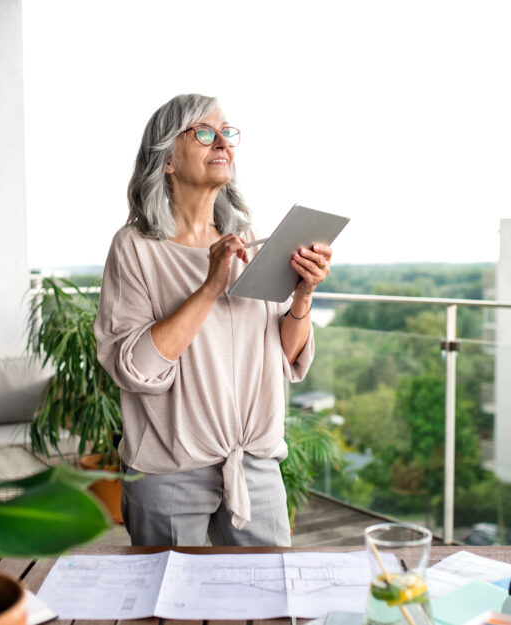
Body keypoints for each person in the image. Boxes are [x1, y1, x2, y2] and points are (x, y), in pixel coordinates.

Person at [94, 93, 332, 546]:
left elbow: (283, 356)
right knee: (165, 610)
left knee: (268, 608)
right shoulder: (136, 248)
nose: (222, 142)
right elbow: (135, 368)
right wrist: (208, 287)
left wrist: (302, 295)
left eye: (228, 132)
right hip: (168, 474)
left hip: (255, 468)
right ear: (165, 158)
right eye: (204, 133)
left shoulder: (251, 246)